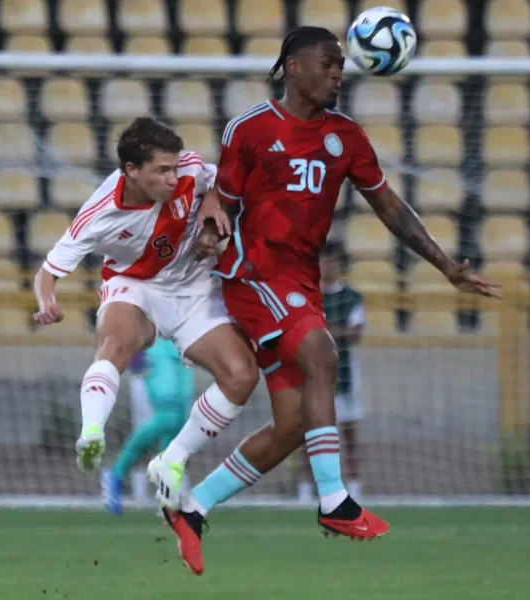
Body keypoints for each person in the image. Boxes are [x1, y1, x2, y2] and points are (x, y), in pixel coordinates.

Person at [151, 26, 502, 574]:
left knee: (292, 425)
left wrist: (445, 266)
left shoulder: (347, 137)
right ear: (293, 66)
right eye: (328, 62)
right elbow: (224, 195)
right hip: (253, 272)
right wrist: (212, 223)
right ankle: (335, 500)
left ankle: (193, 510)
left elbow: (390, 207)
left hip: (300, 280)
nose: (338, 72)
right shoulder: (251, 128)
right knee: (322, 354)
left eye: (341, 65)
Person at [33, 117, 258, 474]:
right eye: (162, 170)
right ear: (132, 170)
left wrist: (213, 206)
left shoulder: (189, 168)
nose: (172, 177)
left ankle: (172, 459)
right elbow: (48, 272)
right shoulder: (98, 215)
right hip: (136, 286)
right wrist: (47, 302)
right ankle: (92, 431)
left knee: (241, 375)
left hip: (194, 288)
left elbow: (223, 177)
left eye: (174, 167)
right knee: (114, 343)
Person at [297, 241, 366, 503]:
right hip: (311, 373)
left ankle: (354, 486)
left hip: (345, 371)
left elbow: (355, 333)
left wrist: (323, 331)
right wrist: (335, 331)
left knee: (348, 433)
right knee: (309, 434)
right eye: (324, 260)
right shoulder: (307, 294)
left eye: (333, 260)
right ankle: (305, 487)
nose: (329, 265)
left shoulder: (352, 297)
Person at [101, 339, 194, 515]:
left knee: (180, 421)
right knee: (168, 414)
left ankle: (168, 491)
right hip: (156, 343)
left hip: (181, 340)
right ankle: (116, 473)